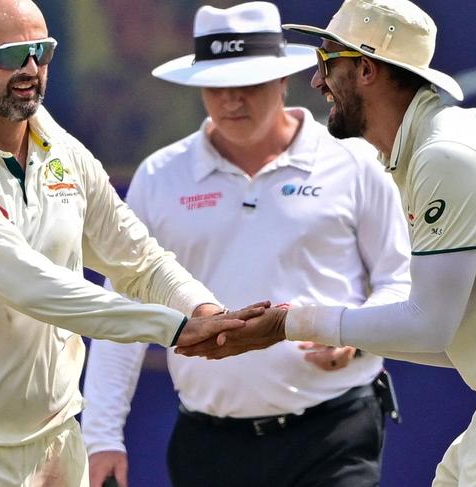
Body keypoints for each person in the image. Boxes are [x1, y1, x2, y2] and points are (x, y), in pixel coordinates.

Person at [0, 0, 268, 485]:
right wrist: (173, 328)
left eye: (41, 51)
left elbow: (139, 260)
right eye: (9, 55)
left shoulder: (62, 150)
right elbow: (33, 287)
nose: (29, 69)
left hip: (57, 444)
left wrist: (205, 311)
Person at [81, 3, 411, 486]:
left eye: (250, 83)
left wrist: (354, 339)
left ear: (283, 82)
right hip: (209, 443)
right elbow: (125, 306)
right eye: (217, 86)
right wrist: (101, 436)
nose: (232, 100)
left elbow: (398, 281)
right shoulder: (160, 175)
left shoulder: (355, 162)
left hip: (334, 432)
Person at [178, 0, 476, 485]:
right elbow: (445, 335)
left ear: (365, 69)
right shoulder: (426, 148)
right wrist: (315, 327)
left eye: (328, 63)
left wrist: (290, 323)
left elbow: (430, 328)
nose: (315, 81)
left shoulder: (442, 155)